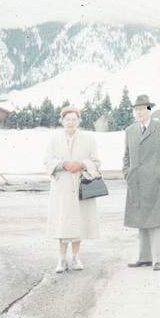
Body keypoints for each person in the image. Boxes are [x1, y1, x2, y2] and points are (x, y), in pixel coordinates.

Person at [123, 94, 160, 271]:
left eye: (142, 109)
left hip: (157, 184)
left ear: (149, 110)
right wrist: (127, 174)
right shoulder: (130, 131)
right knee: (142, 221)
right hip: (137, 184)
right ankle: (144, 258)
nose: (139, 112)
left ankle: (158, 259)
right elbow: (126, 156)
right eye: (136, 109)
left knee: (157, 221)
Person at [43, 106, 101, 273]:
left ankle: (76, 257)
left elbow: (96, 162)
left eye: (74, 119)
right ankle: (61, 259)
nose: (70, 122)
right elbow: (47, 161)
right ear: (62, 121)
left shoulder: (89, 140)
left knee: (79, 222)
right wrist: (62, 164)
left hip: (80, 185)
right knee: (63, 223)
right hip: (62, 187)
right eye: (67, 119)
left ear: (78, 121)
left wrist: (82, 164)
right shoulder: (54, 140)